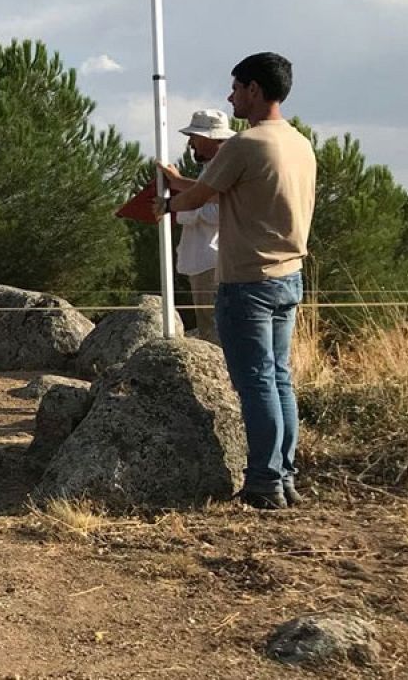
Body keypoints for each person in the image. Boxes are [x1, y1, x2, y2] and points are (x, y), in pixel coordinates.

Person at [154, 53, 317, 510]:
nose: (231, 96)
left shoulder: (246, 144)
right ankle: (282, 476)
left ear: (255, 90)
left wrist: (164, 205)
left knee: (257, 384)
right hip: (288, 276)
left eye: (236, 88)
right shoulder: (298, 143)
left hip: (248, 280)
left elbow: (202, 196)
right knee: (279, 380)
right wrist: (180, 181)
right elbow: (229, 187)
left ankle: (263, 483)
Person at [173, 109, 234, 339]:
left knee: (215, 330)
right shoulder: (210, 170)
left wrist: (186, 204)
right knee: (209, 327)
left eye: (195, 137)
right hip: (202, 260)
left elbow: (218, 212)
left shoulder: (223, 169)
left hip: (212, 260)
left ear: (211, 138)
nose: (190, 144)